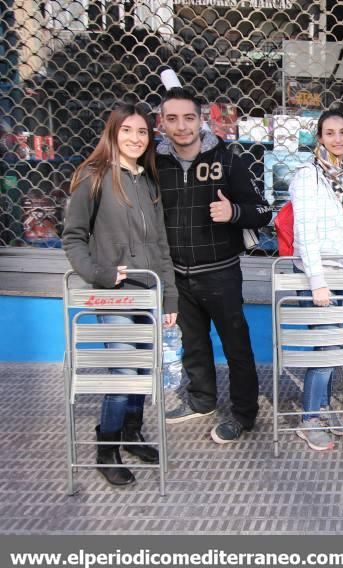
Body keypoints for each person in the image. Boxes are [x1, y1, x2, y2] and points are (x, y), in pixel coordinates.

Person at [62, 102, 178, 486]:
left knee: (144, 372)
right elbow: (74, 239)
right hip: (113, 296)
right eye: (127, 130)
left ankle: (132, 434)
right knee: (124, 373)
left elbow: (161, 245)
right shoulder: (93, 178)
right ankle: (106, 446)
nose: (134, 138)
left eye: (142, 132)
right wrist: (101, 274)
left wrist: (169, 297)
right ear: (113, 133)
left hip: (148, 293)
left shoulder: (147, 181)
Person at [156, 87, 271, 444]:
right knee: (193, 343)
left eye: (188, 118)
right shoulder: (155, 164)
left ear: (200, 119)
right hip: (177, 273)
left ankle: (243, 414)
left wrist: (233, 212)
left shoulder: (228, 160)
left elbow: (264, 211)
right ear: (162, 123)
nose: (181, 126)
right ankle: (202, 400)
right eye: (172, 119)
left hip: (220, 272)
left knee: (236, 346)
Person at [289, 108, 343, 451]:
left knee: (334, 349)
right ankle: (309, 419)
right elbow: (304, 233)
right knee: (325, 349)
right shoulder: (307, 176)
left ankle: (320, 407)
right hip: (317, 275)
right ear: (319, 137)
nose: (337, 138)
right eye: (330, 133)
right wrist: (317, 281)